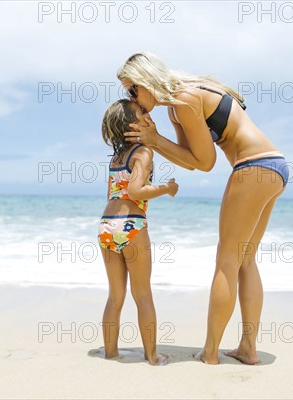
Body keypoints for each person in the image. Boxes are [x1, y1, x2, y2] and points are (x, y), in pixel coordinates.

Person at [117, 52, 290, 365]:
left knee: (227, 260)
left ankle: (210, 353)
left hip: (252, 167)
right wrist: (156, 139)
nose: (133, 100)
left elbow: (207, 162)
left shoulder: (183, 99)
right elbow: (194, 161)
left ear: (147, 80)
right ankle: (247, 349)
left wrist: (154, 140)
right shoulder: (182, 100)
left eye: (133, 90)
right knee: (245, 259)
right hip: (274, 166)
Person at [97, 99, 179, 366]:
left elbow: (115, 193)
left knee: (115, 295)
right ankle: (152, 356)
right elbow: (135, 192)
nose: (147, 112)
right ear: (132, 125)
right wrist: (166, 188)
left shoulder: (117, 158)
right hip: (132, 224)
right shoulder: (143, 153)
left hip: (107, 226)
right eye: (141, 112)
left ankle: (110, 353)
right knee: (142, 294)